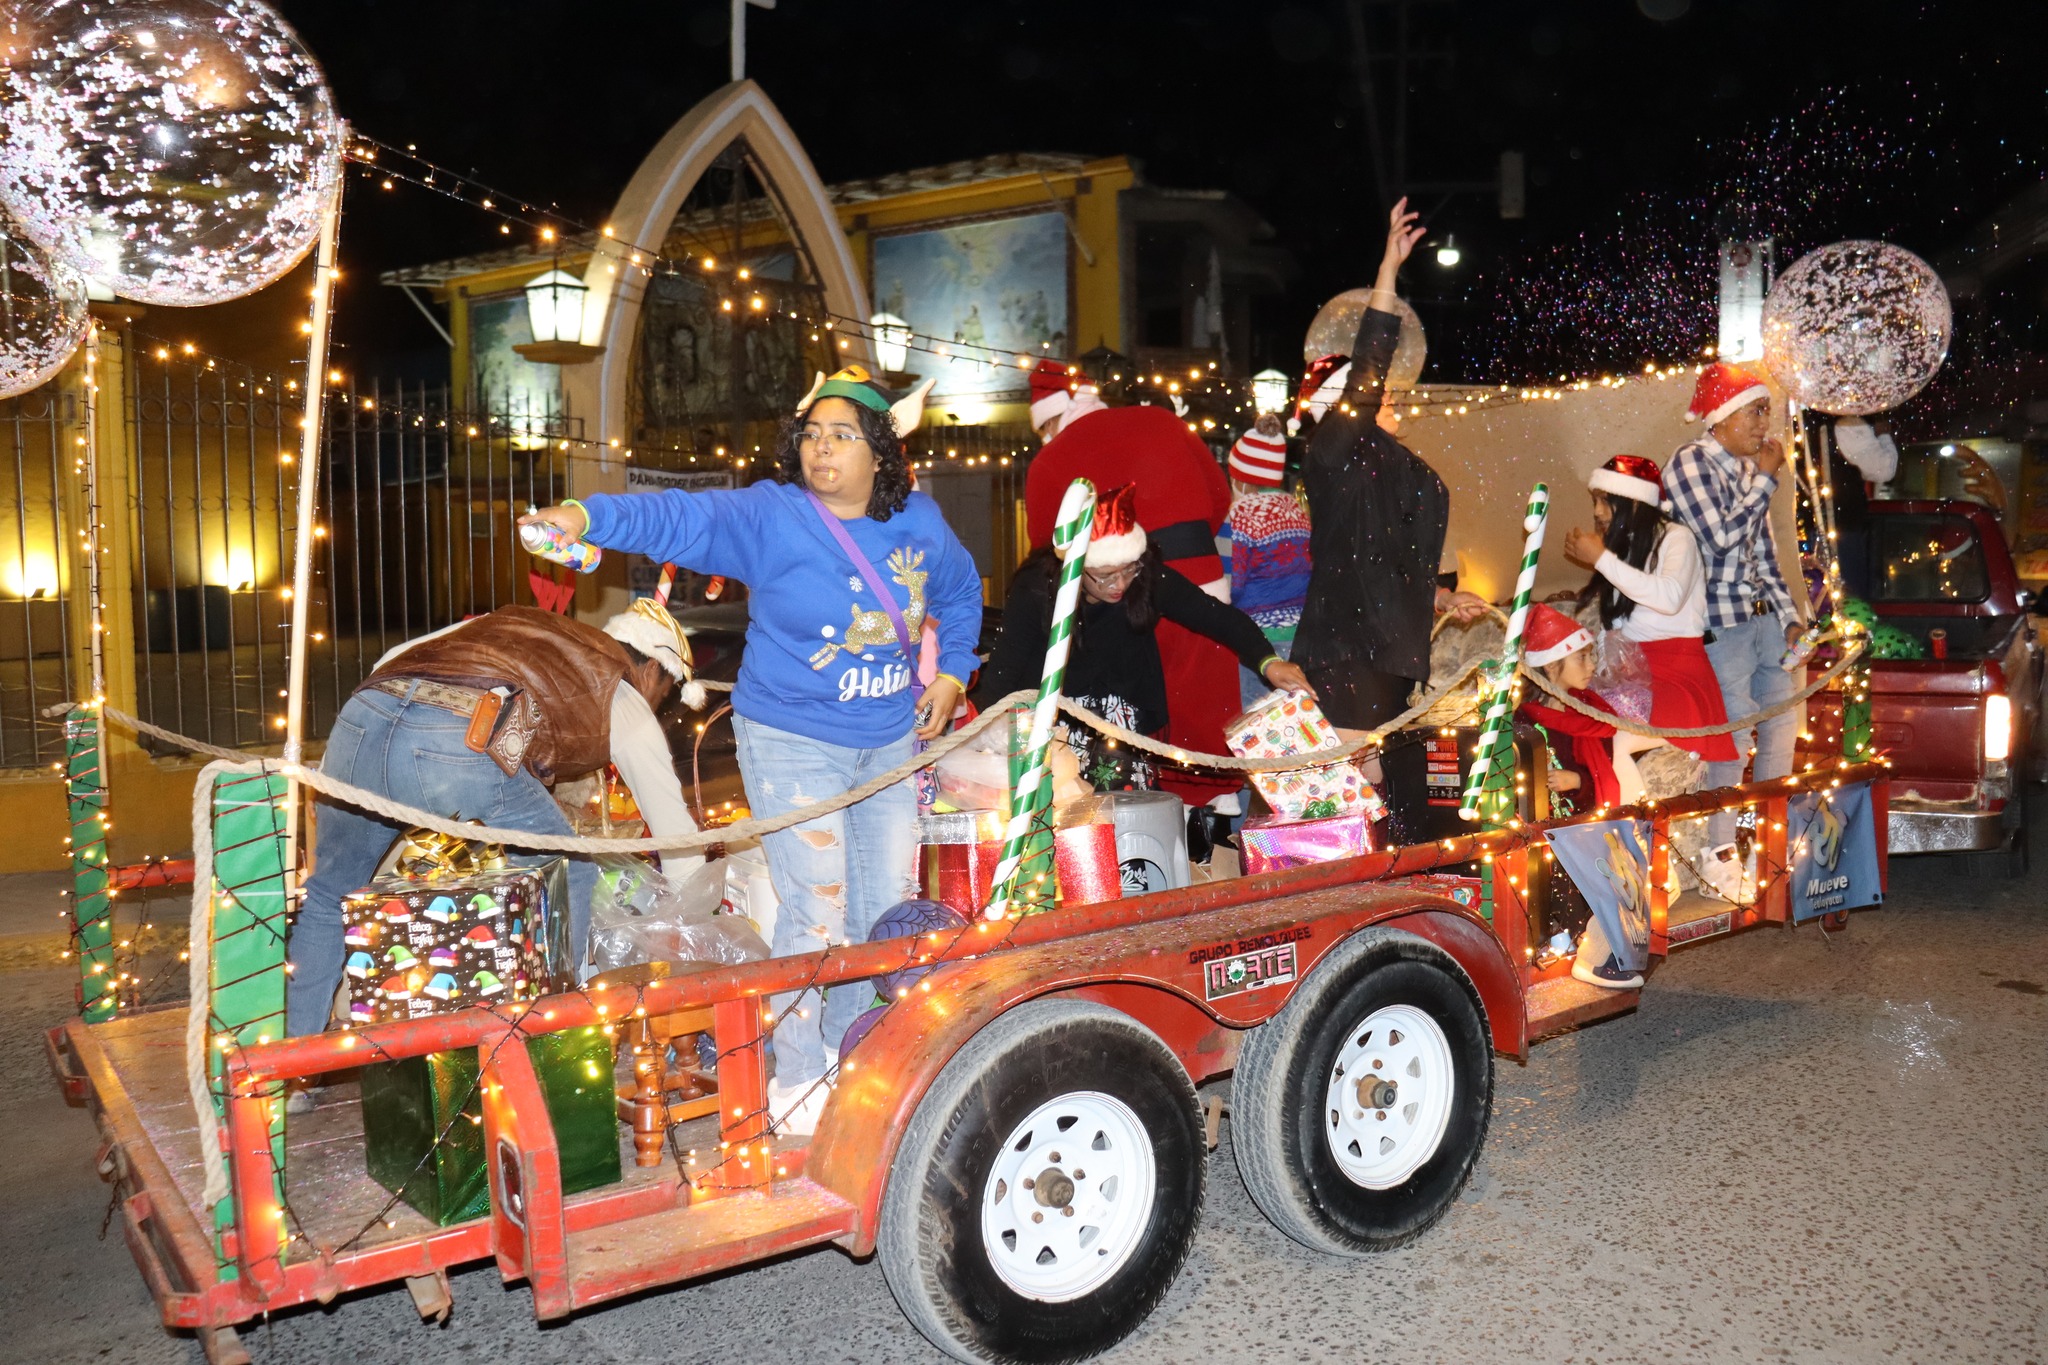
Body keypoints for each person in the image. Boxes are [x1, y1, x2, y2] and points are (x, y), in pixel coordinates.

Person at [523, 366, 982, 1136]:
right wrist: (583, 513)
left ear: (881, 453)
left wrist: (956, 669)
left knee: (882, 910)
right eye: (811, 434)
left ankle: (852, 1050)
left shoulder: (923, 523)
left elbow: (961, 591)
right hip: (793, 739)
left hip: (888, 743)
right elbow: (679, 519)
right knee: (815, 906)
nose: (821, 450)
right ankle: (798, 1071)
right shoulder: (773, 516)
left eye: (842, 436)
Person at [286, 598, 707, 1039]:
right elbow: (677, 838)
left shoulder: (516, 624)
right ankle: (555, 1036)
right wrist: (692, 924)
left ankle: (290, 1073)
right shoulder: (618, 687)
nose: (657, 705)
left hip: (362, 719)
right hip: (452, 738)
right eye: (664, 694)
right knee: (567, 871)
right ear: (656, 670)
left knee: (329, 897)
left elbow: (390, 661)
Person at [1291, 197, 1487, 822]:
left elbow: (1385, 557)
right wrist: (1388, 270)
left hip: (1390, 649)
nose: (1388, 391)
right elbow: (1370, 362)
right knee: (1360, 800)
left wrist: (1439, 597)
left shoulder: (1390, 464)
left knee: (1385, 798)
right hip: (1349, 650)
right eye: (1370, 392)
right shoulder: (1333, 449)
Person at [975, 484, 1315, 788]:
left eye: (1128, 570)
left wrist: (1267, 661)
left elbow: (1216, 616)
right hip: (1050, 718)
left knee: (1125, 820)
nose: (1119, 585)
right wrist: (986, 739)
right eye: (1106, 576)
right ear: (1079, 567)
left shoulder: (1146, 577)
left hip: (1120, 723)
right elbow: (1004, 670)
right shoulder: (1037, 589)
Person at [1024, 359, 1242, 811]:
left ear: (1049, 419)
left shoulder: (1052, 457)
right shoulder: (1161, 419)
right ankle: (1219, 812)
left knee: (1152, 707)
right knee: (1208, 701)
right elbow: (1219, 495)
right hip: (1202, 571)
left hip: (1126, 586)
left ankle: (1165, 816)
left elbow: (1048, 548)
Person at [1663, 363, 1805, 859]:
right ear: (1720, 418)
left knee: (1782, 728)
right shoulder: (1687, 463)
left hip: (1764, 621)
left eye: (1766, 411)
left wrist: (1789, 617)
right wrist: (1766, 480)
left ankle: (1772, 840)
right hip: (1721, 624)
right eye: (1755, 411)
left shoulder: (1748, 471)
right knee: (1733, 734)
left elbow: (1765, 555)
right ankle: (1719, 850)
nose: (1764, 423)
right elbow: (1720, 540)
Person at [1514, 605, 1641, 990]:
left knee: (1613, 855)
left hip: (1585, 818)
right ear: (1552, 667)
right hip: (1546, 828)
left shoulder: (1588, 714)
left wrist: (1577, 781)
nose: (1591, 665)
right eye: (1581, 657)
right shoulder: (1525, 721)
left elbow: (1597, 774)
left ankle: (1602, 948)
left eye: (1590, 655)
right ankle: (1578, 947)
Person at [1220, 416, 1313, 707]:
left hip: (1259, 643)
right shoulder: (1297, 510)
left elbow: (1230, 586)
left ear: (1239, 477)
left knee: (1255, 722)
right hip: (1300, 634)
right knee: (1293, 721)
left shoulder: (1238, 517)